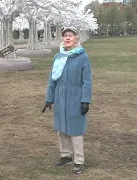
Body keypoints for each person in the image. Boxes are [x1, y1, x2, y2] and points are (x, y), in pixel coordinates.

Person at [42, 27, 92, 174]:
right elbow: (52, 80)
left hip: (75, 97)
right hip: (60, 97)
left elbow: (87, 81)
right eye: (65, 36)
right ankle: (65, 155)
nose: (67, 38)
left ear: (76, 39)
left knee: (75, 130)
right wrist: (49, 99)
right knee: (62, 128)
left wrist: (85, 100)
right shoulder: (59, 57)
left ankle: (79, 160)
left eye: (70, 35)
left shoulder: (82, 57)